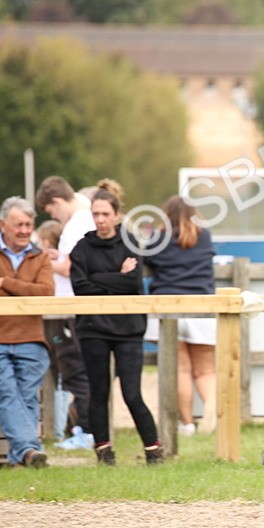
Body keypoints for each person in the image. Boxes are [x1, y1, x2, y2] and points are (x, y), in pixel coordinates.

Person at [70, 180, 163, 466]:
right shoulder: (82, 248)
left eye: (105, 214)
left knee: (132, 393)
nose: (100, 220)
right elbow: (80, 288)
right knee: (98, 392)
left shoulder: (130, 243)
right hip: (93, 328)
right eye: (96, 214)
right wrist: (116, 277)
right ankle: (104, 453)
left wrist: (99, 278)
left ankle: (153, 451)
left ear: (117, 215)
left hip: (128, 329)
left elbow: (132, 283)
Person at [0, 197, 54, 469]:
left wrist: (5, 282)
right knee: (7, 391)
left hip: (31, 340)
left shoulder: (40, 256)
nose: (25, 230)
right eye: (19, 225)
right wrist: (25, 290)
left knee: (25, 395)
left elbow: (46, 294)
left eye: (29, 224)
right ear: (2, 224)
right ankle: (28, 451)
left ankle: (22, 458)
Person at [145, 195, 217, 436]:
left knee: (180, 370)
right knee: (206, 371)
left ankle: (186, 424)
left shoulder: (158, 238)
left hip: (168, 308)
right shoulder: (204, 235)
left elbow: (148, 259)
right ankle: (213, 412)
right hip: (202, 308)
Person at [35, 176, 93, 433]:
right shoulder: (84, 217)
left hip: (71, 307)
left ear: (57, 202)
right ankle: (82, 426)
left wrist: (43, 262)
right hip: (75, 306)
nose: (54, 217)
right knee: (76, 369)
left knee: (74, 370)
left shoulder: (77, 223)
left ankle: (84, 428)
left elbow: (72, 268)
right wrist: (59, 257)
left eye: (51, 211)